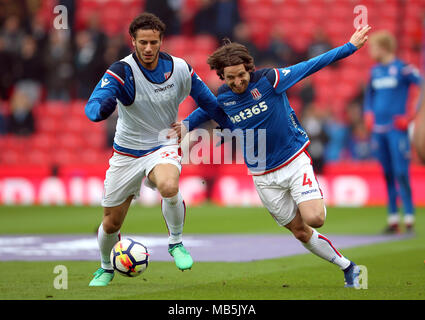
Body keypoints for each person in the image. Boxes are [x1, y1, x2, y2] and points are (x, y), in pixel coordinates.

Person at [170, 26, 371, 288]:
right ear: (222, 76)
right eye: (230, 78)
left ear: (249, 70)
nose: (237, 82)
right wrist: (186, 125)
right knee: (300, 231)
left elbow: (310, 65)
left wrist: (349, 47)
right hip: (262, 175)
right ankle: (348, 267)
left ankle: (311, 197)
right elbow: (207, 109)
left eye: (241, 75)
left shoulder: (269, 80)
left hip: (293, 160)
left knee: (314, 219)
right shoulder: (224, 96)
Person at [84, 13, 233, 286]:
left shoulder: (179, 68)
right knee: (111, 223)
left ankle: (176, 243)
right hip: (126, 153)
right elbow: (95, 102)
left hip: (162, 144)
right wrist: (99, 110)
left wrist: (226, 124)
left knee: (168, 186)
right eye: (143, 42)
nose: (149, 48)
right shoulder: (122, 71)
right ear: (133, 42)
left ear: (162, 41)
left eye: (153, 42)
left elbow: (209, 103)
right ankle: (106, 267)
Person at [364, 31, 423, 234]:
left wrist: (412, 115)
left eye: (373, 47)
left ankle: (408, 217)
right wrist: (368, 113)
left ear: (384, 47)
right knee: (387, 173)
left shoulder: (402, 69)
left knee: (401, 172)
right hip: (379, 130)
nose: (371, 51)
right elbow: (368, 96)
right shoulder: (374, 72)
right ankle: (392, 219)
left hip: (396, 129)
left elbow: (422, 84)